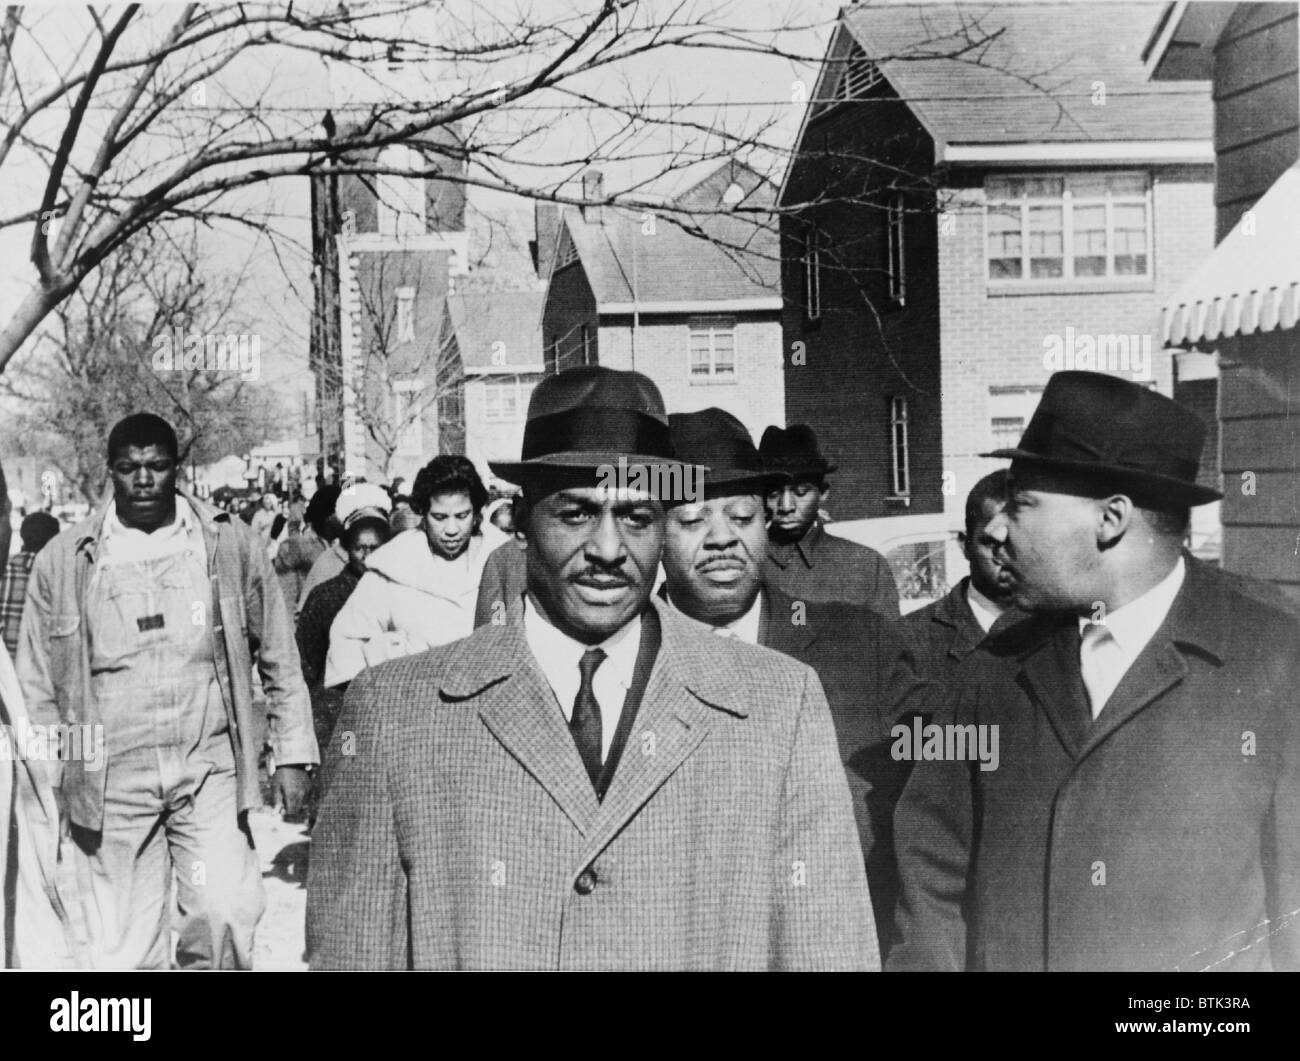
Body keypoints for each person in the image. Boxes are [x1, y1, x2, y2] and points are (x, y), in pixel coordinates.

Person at [306, 366, 878, 970]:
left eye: (636, 517)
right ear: (522, 523)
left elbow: (830, 948)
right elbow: (355, 951)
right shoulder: (397, 713)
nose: (609, 549)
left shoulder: (778, 705)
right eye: (577, 513)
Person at [890, 372, 1300, 971]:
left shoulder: (1275, 659)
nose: (999, 531)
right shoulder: (994, 667)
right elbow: (930, 877)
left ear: (1111, 520)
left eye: (1023, 503)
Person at [16, 413, 318, 969]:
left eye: (157, 466)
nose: (144, 480)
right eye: (129, 469)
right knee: (122, 948)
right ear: (111, 473)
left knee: (223, 911)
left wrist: (293, 753)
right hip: (111, 785)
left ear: (176, 468)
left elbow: (278, 651)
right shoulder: (64, 561)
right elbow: (38, 685)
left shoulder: (227, 544)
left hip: (209, 770)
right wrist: (52, 779)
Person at [658, 408, 924, 956]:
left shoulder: (862, 647)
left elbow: (937, 817)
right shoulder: (609, 668)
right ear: (652, 532)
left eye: (741, 517)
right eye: (691, 520)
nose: (722, 539)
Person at [323, 457, 506, 687]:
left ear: (477, 513)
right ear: (423, 514)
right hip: (412, 709)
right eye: (439, 517)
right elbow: (346, 644)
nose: (451, 529)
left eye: (462, 516)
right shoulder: (392, 566)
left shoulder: (503, 558)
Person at [296, 502, 391, 814]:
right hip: (335, 710)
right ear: (347, 549)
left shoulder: (397, 591)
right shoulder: (326, 595)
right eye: (359, 548)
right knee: (338, 794)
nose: (367, 556)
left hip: (383, 711)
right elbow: (306, 659)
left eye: (375, 548)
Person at [760, 424, 900, 617]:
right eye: (774, 493)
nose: (786, 506)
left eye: (800, 492)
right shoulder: (747, 564)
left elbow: (888, 644)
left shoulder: (865, 566)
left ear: (823, 492)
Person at [903, 469, 1024, 685]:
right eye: (992, 543)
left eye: (1020, 543)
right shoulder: (908, 640)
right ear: (965, 544)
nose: (1006, 556)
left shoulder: (1066, 633)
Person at [0, 511, 60, 655]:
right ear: (54, 540)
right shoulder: (56, 575)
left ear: (22, 536)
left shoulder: (5, 570)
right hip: (36, 664)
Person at [289, 485, 345, 615]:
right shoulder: (298, 547)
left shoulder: (340, 547)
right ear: (328, 516)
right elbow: (287, 600)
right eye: (340, 513)